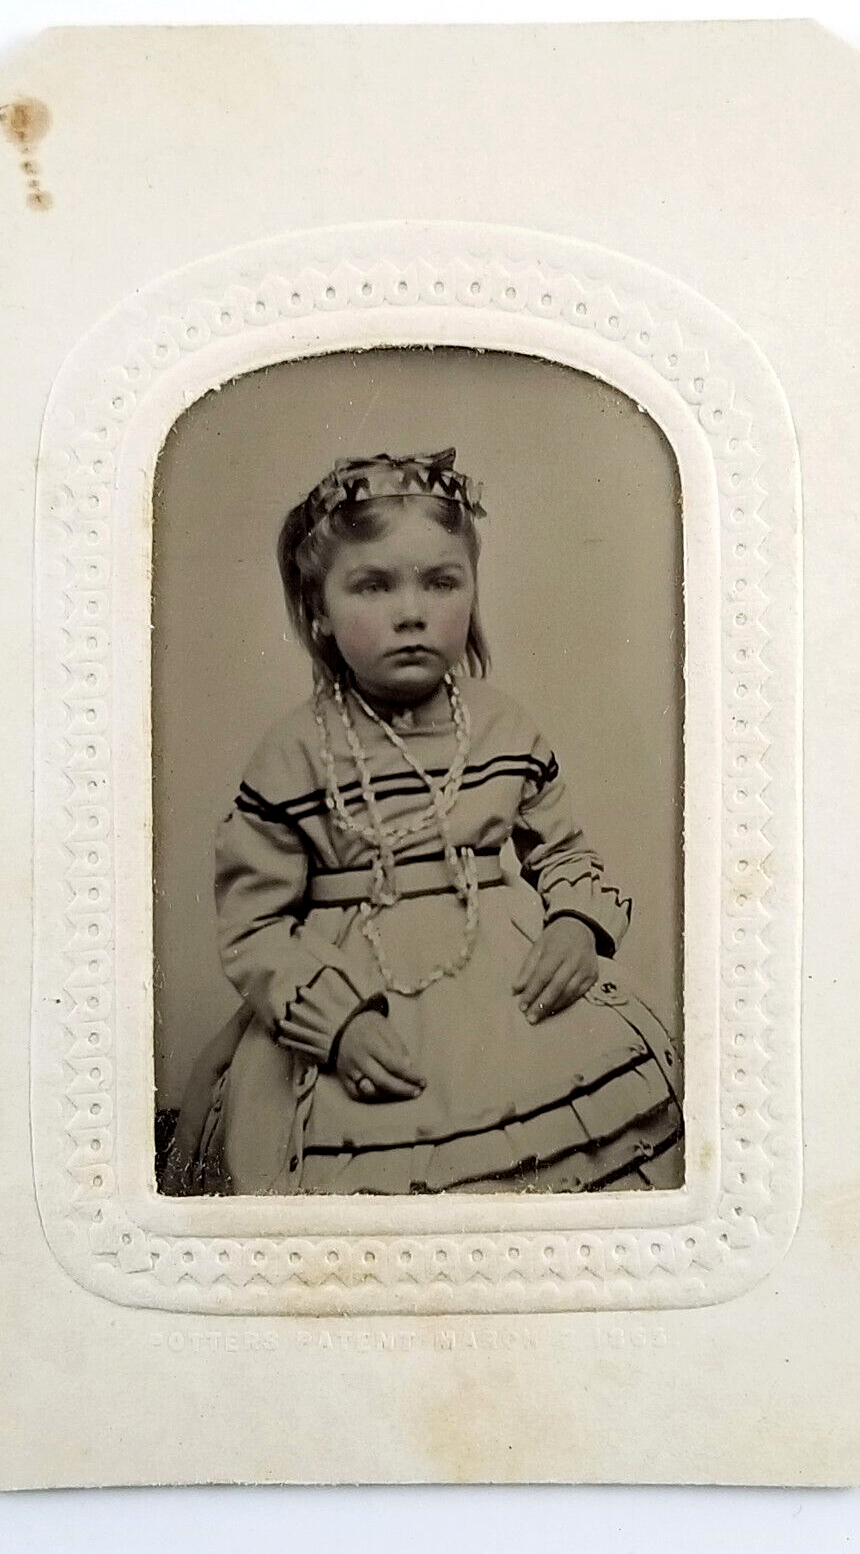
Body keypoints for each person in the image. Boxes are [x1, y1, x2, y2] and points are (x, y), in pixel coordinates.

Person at [161, 448, 684, 1196]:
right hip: (360, 1002)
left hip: (508, 998)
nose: (412, 611)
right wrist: (338, 1025)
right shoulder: (292, 757)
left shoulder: (504, 730)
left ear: (472, 593)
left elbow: (564, 852)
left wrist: (576, 924)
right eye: (373, 585)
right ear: (319, 610)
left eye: (441, 581)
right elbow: (255, 927)